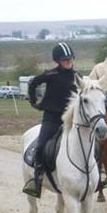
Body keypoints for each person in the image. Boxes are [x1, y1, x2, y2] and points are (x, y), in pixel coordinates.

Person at [22, 43, 78, 198]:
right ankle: (37, 178)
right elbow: (33, 83)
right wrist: (34, 101)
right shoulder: (50, 74)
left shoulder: (76, 76)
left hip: (71, 119)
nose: (68, 61)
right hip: (52, 118)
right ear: (57, 61)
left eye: (70, 59)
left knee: (89, 140)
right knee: (41, 145)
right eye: (64, 59)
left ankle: (97, 173)